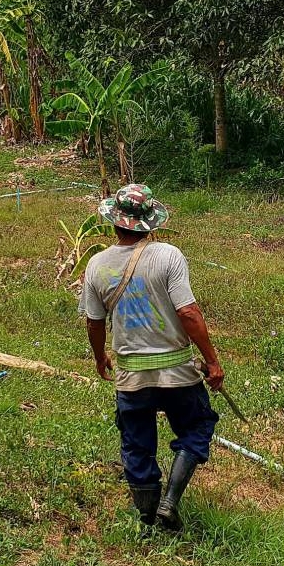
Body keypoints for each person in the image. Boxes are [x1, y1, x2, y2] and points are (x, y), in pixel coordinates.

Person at [79, 184, 226, 531]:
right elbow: (188, 313)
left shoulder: (96, 265)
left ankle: (147, 519)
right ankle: (170, 501)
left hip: (131, 376)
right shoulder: (168, 256)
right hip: (178, 372)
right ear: (150, 223)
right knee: (197, 425)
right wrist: (212, 361)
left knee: (136, 443)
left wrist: (100, 357)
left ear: (114, 222)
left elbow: (94, 322)